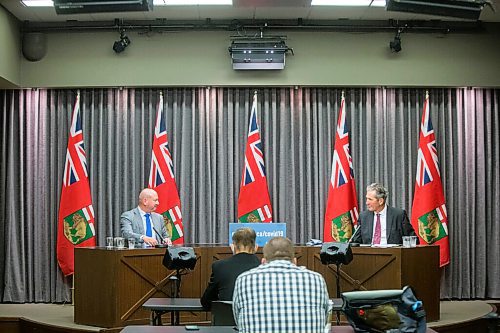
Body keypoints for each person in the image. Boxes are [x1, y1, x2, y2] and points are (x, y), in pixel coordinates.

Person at [233, 237, 329, 333]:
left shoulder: (243, 279)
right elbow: (325, 318)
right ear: (295, 261)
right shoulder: (316, 279)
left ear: (263, 262)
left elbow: (238, 320)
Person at [200, 227, 260, 310]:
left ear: (233, 246)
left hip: (226, 320)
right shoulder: (263, 267)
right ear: (256, 247)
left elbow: (206, 302)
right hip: (253, 321)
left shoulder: (219, 266)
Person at [352, 183, 417, 245]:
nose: (367, 202)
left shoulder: (399, 215)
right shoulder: (363, 217)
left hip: (393, 254)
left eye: (370, 199)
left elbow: (412, 239)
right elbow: (356, 241)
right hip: (369, 254)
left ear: (380, 201)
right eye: (367, 198)